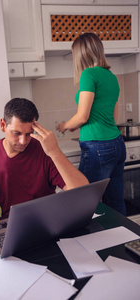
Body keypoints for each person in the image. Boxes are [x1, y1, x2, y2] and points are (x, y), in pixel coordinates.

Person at [57, 33, 126, 215]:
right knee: (116, 202)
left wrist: (64, 125)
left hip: (97, 147)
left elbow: (82, 116)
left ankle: (90, 243)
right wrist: (75, 123)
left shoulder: (88, 74)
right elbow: (113, 116)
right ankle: (123, 241)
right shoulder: (111, 76)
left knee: (85, 201)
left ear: (80, 54)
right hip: (117, 143)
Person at [0, 98, 88, 217]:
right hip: (7, 224)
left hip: (45, 219)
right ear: (3, 125)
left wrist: (55, 152)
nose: (23, 141)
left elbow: (82, 193)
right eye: (16, 133)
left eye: (29, 134)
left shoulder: (45, 151)